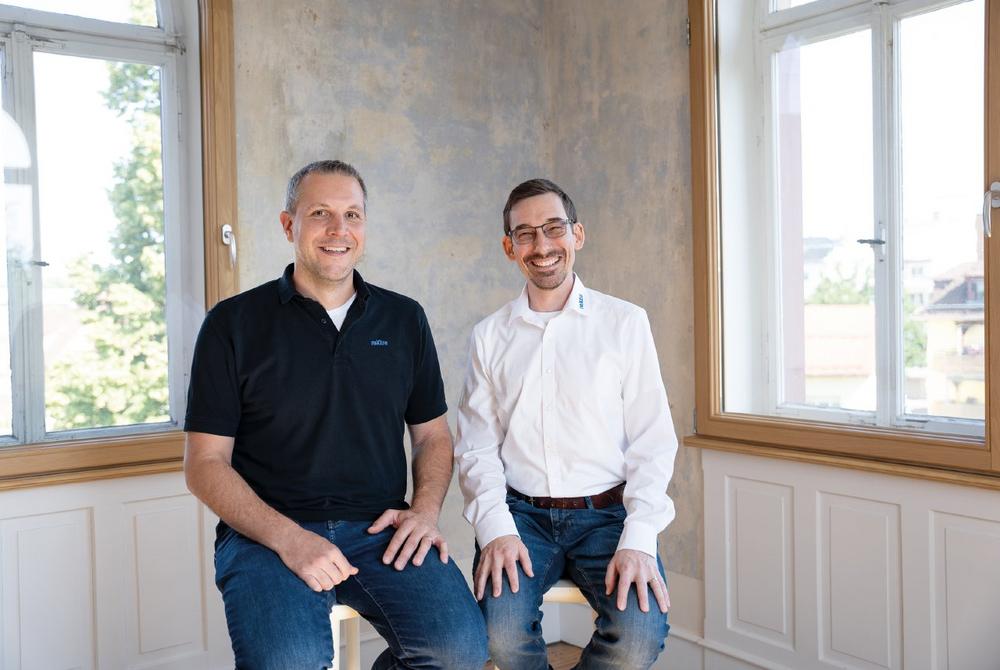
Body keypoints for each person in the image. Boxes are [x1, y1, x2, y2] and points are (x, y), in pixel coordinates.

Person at [184, 160, 487, 670]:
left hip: (380, 530)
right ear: (289, 225)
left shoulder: (404, 319)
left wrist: (424, 512)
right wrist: (289, 538)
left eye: (352, 215)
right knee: (289, 663)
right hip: (267, 535)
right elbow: (204, 464)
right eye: (320, 213)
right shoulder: (231, 324)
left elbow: (432, 437)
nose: (338, 229)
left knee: (458, 653)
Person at [455, 178, 678, 669]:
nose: (542, 246)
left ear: (577, 234)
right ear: (509, 247)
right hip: (521, 517)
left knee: (638, 638)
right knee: (499, 636)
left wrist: (640, 537)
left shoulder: (625, 323)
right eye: (525, 233)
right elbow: (476, 448)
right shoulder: (489, 336)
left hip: (609, 516)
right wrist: (496, 529)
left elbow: (653, 440)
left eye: (553, 228)